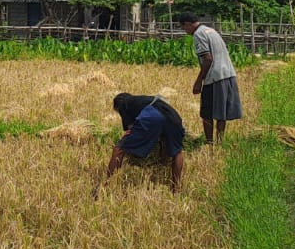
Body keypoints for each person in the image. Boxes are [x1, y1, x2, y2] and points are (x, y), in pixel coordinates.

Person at [97, 92, 186, 195]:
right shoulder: (142, 100)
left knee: (119, 149)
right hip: (174, 117)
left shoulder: (123, 104)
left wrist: (126, 141)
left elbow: (130, 129)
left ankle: (106, 183)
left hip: (153, 116)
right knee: (177, 151)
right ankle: (176, 189)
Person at [177, 12, 242, 146]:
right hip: (228, 74)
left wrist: (199, 80)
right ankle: (219, 142)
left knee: (207, 112)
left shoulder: (198, 34)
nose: (185, 31)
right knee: (221, 112)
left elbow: (207, 58)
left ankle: (209, 142)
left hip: (214, 77)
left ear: (188, 25)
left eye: (184, 28)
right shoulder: (210, 30)